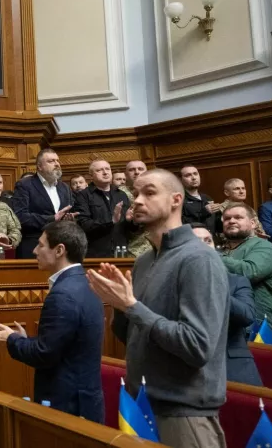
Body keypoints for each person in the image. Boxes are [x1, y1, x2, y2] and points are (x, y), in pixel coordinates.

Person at [89, 169, 228, 448]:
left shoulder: (199, 259)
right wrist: (120, 306)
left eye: (149, 193)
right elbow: (134, 338)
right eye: (135, 193)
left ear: (176, 200)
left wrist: (131, 305)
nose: (137, 200)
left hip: (183, 414)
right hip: (140, 407)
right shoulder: (143, 261)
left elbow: (197, 346)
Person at [0, 221, 104, 423]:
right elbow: (62, 345)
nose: (34, 250)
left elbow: (44, 354)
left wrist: (12, 339)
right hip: (84, 401)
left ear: (59, 250)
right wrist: (26, 340)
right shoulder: (85, 283)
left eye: (40, 245)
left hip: (67, 406)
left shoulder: (63, 294)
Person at [193, 224, 262, 387]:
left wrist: (212, 286)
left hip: (232, 365)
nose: (203, 245)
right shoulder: (174, 281)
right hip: (190, 367)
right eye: (196, 241)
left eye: (207, 241)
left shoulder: (236, 280)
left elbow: (247, 316)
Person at [220, 203, 272, 341]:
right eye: (227, 218)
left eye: (238, 217)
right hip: (223, 327)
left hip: (256, 329)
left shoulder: (264, 246)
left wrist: (212, 256)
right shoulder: (222, 251)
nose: (231, 221)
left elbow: (250, 272)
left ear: (253, 223)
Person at [12, 148, 74, 259]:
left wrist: (69, 219)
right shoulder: (25, 185)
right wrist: (52, 218)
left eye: (57, 161)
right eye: (51, 161)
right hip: (33, 246)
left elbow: (67, 214)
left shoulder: (64, 187)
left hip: (59, 248)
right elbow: (20, 216)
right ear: (39, 166)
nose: (56, 164)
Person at [73, 160, 133, 258]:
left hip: (121, 252)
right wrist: (111, 221)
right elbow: (84, 225)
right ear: (91, 175)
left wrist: (131, 221)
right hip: (96, 253)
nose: (105, 172)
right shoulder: (83, 196)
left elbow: (131, 229)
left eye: (107, 169)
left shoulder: (121, 194)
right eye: (99, 170)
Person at [122, 160, 152, 258]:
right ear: (126, 175)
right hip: (131, 249)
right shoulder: (119, 193)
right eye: (132, 170)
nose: (137, 172)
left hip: (156, 246)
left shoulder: (156, 191)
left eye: (140, 169)